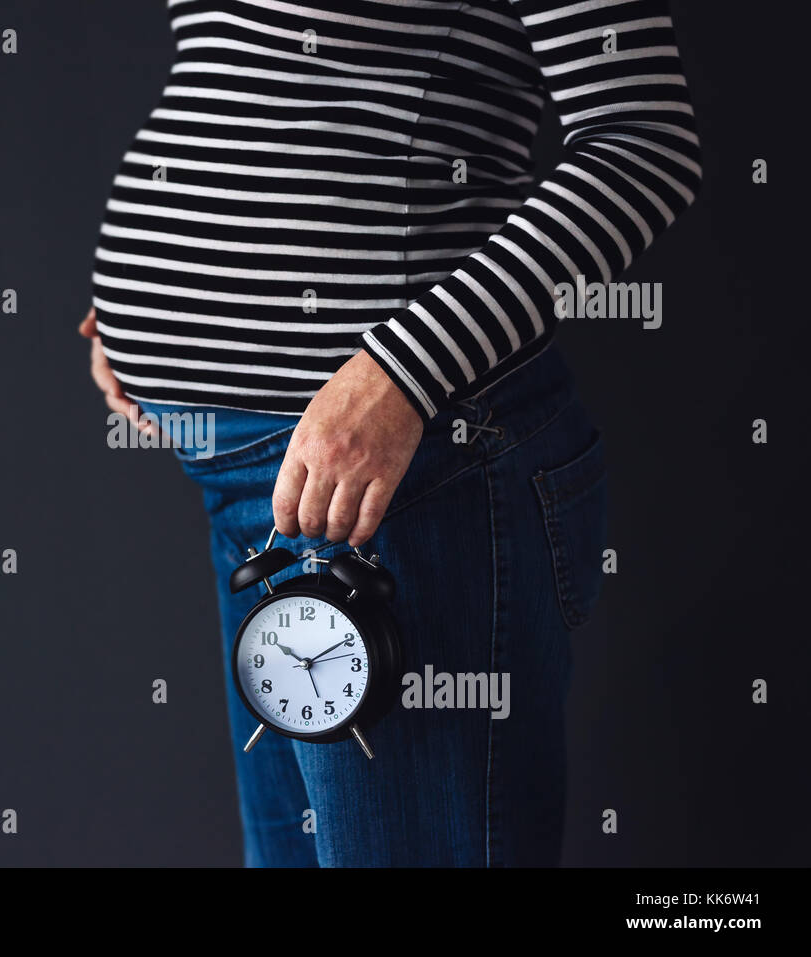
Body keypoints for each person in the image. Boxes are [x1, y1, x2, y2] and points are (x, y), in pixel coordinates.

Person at [81, 0, 700, 867]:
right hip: (256, 473)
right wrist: (161, 297)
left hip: (410, 472)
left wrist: (402, 373)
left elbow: (644, 143)